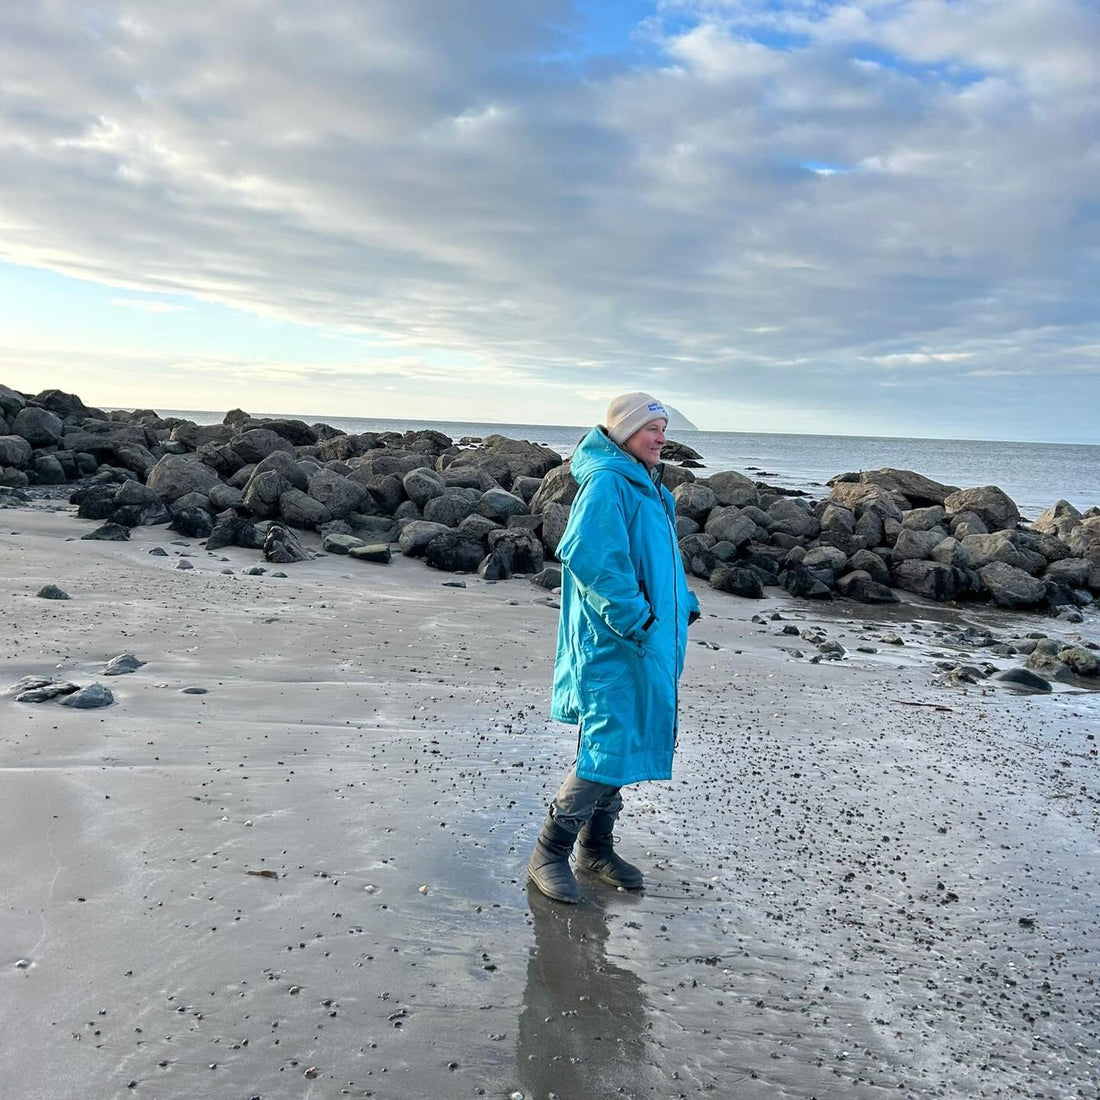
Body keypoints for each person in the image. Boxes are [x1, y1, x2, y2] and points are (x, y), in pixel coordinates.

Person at [527, 392, 700, 904]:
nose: (662, 438)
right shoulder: (608, 482)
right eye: (653, 428)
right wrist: (637, 618)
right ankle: (549, 852)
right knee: (604, 746)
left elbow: (659, 560)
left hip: (646, 641)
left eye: (664, 428)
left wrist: (683, 603)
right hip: (615, 640)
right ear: (624, 432)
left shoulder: (651, 489)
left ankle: (596, 848)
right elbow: (593, 558)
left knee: (622, 744)